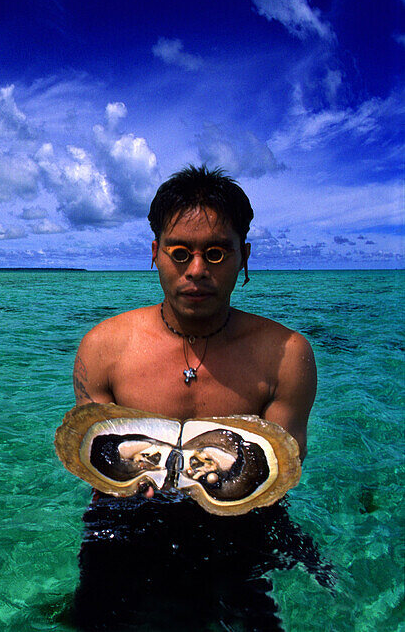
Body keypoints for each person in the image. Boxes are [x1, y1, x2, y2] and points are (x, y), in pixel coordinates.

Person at [67, 165, 328, 631]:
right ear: (156, 253)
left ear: (243, 256)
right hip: (127, 522)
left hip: (241, 526)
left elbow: (281, 470)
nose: (196, 271)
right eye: (180, 252)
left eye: (215, 253)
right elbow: (100, 465)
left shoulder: (286, 355)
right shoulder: (103, 348)